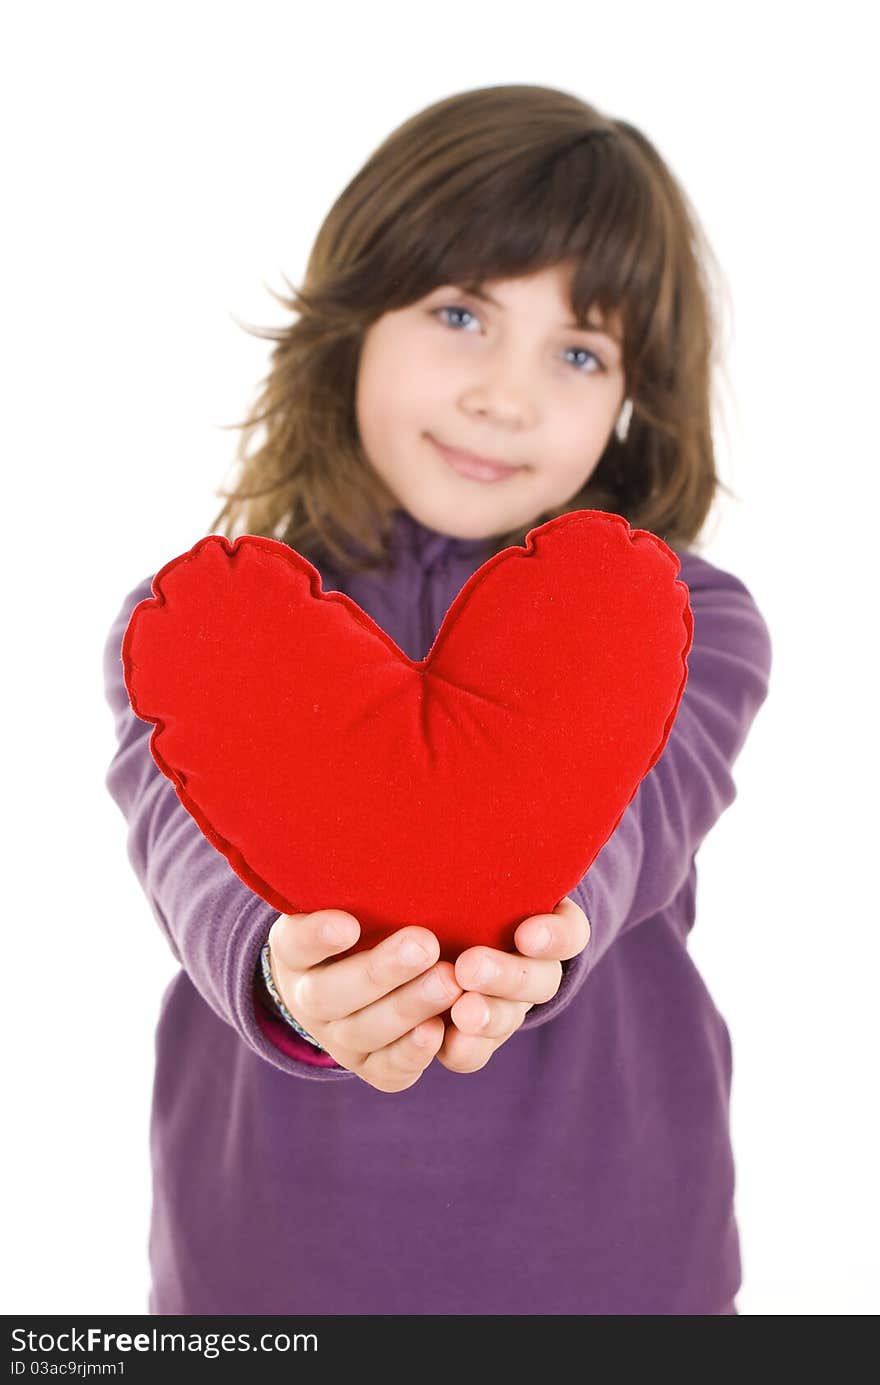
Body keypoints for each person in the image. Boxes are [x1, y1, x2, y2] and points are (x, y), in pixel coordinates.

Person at [102, 83, 772, 1315]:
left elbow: (636, 816)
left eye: (578, 351)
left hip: (617, 1264)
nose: (504, 395)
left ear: (632, 398)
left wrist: (536, 930)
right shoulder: (200, 626)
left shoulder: (681, 617)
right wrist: (282, 981)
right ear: (353, 316)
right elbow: (189, 856)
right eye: (461, 313)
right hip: (264, 1267)